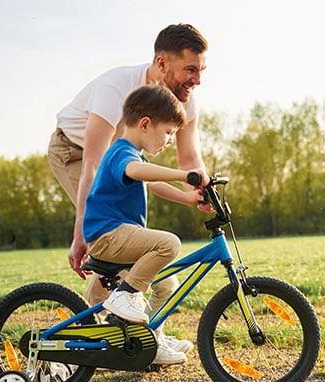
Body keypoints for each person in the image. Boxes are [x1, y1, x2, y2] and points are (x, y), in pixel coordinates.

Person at [46, 24, 209, 354]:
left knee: (142, 258)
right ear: (162, 64)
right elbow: (92, 167)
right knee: (116, 245)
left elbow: (189, 159)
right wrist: (81, 237)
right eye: (190, 69)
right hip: (76, 151)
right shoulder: (117, 89)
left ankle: (134, 337)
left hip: (124, 163)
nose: (198, 80)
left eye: (202, 70)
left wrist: (204, 191)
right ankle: (122, 332)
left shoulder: (183, 103)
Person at [82, 85, 207, 365]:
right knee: (169, 243)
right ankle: (124, 296)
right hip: (109, 237)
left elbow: (153, 183)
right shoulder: (122, 153)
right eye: (168, 132)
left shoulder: (134, 155)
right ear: (145, 124)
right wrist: (184, 174)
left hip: (121, 238)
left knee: (167, 283)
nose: (170, 141)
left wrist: (188, 199)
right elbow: (136, 172)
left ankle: (151, 341)